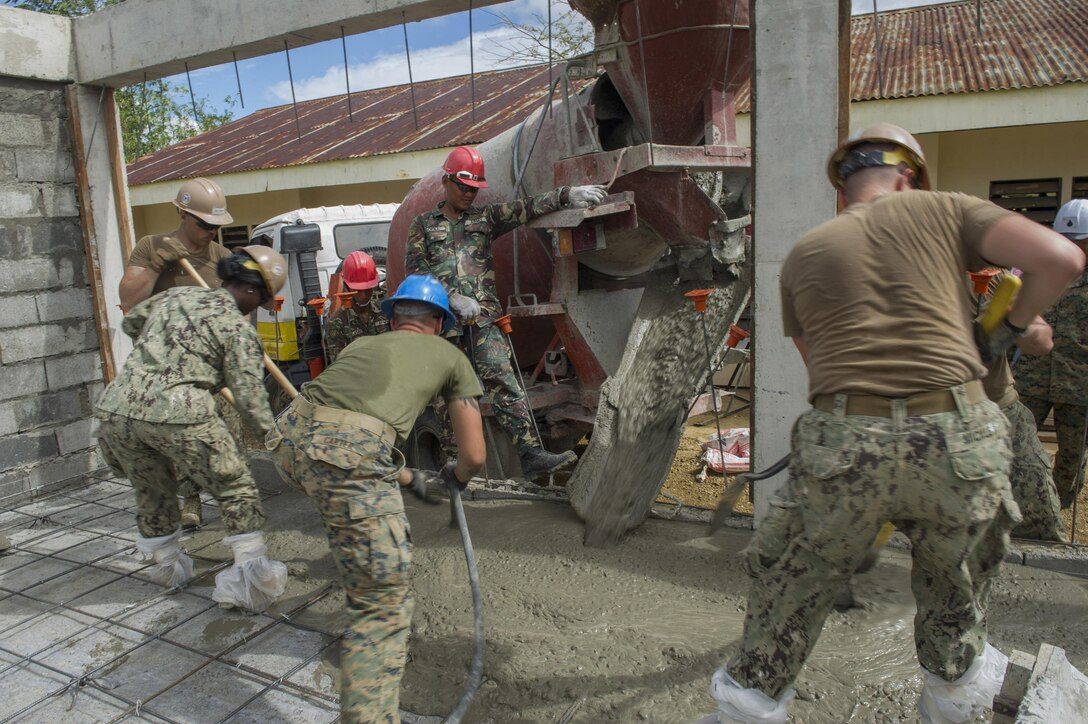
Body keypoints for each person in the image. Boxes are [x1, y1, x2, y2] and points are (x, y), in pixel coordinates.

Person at [700, 123, 1084, 724]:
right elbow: (1060, 257)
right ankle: (951, 690)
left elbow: (818, 369)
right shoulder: (946, 210)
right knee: (952, 587)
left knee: (795, 582)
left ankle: (749, 707)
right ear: (909, 177)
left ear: (842, 189)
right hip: (958, 436)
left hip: (847, 440)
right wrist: (1004, 329)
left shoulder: (804, 254)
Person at [268, 274, 486, 722]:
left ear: (394, 317)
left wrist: (406, 477)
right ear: (439, 321)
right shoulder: (450, 354)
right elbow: (476, 455)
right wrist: (456, 476)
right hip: (345, 461)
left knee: (346, 472)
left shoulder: (361, 344)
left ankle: (371, 510)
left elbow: (345, 424)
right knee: (381, 604)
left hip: (287, 444)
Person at [96, 246, 291, 612]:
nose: (256, 307)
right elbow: (251, 403)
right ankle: (250, 586)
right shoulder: (238, 329)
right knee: (236, 487)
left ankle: (168, 571)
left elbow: (130, 324)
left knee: (153, 490)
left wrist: (170, 349)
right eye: (261, 299)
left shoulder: (175, 296)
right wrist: (281, 440)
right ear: (250, 291)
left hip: (117, 410)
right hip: (179, 410)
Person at [404, 145, 606, 479]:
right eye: (464, 187)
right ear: (446, 181)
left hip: (482, 320)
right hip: (441, 323)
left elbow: (525, 208)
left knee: (503, 378)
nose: (470, 194)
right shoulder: (422, 225)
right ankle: (452, 460)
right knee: (446, 392)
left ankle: (530, 453)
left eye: (475, 189)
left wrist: (568, 194)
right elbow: (416, 271)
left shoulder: (484, 219)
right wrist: (450, 295)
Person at [118, 177, 239, 529]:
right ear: (182, 214)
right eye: (205, 224)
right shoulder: (150, 246)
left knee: (228, 436)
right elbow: (129, 300)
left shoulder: (224, 258)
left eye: (217, 225)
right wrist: (157, 265)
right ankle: (191, 502)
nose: (212, 232)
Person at [976, 278, 1064, 540]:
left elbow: (1041, 339)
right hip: (923, 411)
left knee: (1039, 524)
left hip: (999, 408)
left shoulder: (993, 276)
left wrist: (1028, 329)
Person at [1014, 198, 1088, 510]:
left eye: (1079, 242)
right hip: (1032, 379)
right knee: (1016, 446)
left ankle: (1057, 510)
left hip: (1079, 387)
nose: (1071, 246)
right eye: (1066, 240)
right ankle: (1021, 508)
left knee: (1071, 458)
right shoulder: (1034, 273)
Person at [324, 250, 389, 363]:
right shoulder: (336, 323)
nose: (363, 296)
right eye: (357, 290)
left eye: (367, 289)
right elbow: (339, 366)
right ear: (346, 286)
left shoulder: (386, 311)